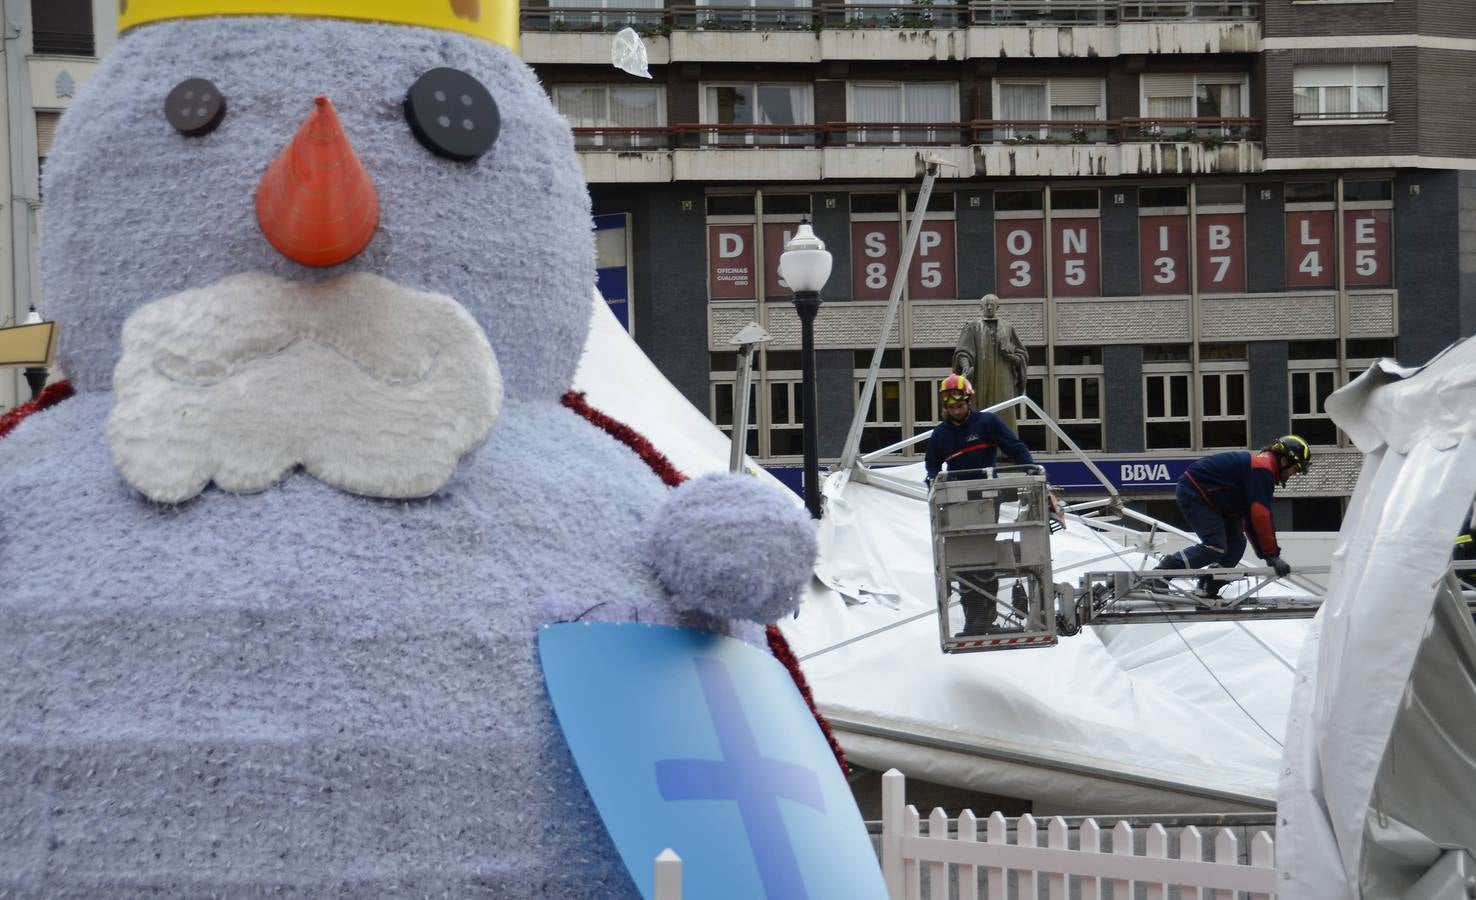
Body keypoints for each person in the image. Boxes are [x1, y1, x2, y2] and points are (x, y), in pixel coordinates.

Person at [925, 374, 1038, 635]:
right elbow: (932, 462)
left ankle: (986, 618)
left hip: (987, 495)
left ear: (968, 401)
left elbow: (1013, 446)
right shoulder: (941, 434)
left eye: (960, 406)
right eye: (951, 408)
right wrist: (932, 479)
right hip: (957, 499)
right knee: (964, 558)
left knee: (983, 553)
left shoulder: (986, 422)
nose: (956, 411)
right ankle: (972, 619)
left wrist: (1030, 466)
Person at [1151, 435, 1311, 596]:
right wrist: (1272, 555)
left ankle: (1209, 583)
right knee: (1215, 546)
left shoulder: (1260, 468)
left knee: (1236, 543)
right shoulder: (1262, 470)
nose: (1294, 474)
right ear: (1284, 461)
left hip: (1215, 498)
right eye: (1296, 469)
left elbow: (1250, 521)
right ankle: (1164, 570)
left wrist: (1268, 555)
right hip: (1196, 491)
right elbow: (1260, 515)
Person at [952, 293, 1030, 430]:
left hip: (1003, 378)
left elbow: (1021, 352)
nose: (989, 307)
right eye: (986, 305)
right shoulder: (972, 327)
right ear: (981, 307)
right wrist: (965, 366)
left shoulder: (1008, 327)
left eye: (992, 305)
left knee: (1005, 411)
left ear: (997, 307)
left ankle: (1005, 449)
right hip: (980, 378)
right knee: (980, 411)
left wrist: (1014, 358)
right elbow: (963, 351)